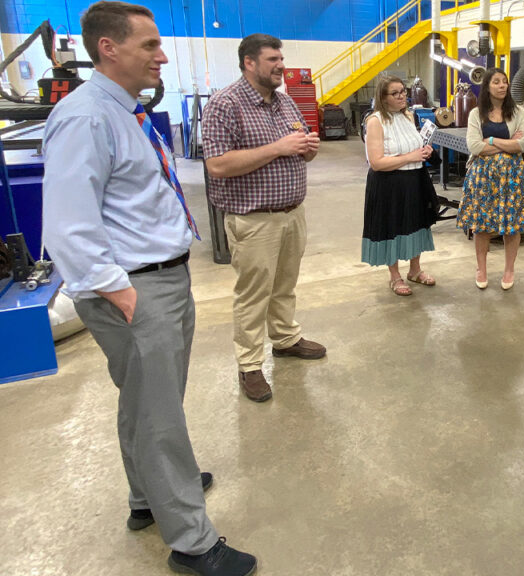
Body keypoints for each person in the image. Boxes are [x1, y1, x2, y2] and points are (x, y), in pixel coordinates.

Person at [41, 3, 256, 575]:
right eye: (150, 45)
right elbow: (67, 222)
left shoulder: (123, 112)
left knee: (145, 401)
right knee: (161, 415)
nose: (163, 56)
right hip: (135, 289)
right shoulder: (86, 118)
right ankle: (191, 541)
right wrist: (119, 291)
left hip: (159, 278)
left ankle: (146, 497)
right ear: (109, 48)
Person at [203, 33, 326, 403]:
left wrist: (307, 149)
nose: (281, 65)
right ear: (249, 63)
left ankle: (286, 339)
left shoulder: (285, 103)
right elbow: (218, 165)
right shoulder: (225, 105)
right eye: (272, 59)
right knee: (253, 294)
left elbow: (299, 146)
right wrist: (279, 148)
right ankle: (249, 365)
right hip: (254, 220)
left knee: (285, 285)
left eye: (281, 58)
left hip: (292, 213)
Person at [456, 67, 524, 290]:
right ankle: (481, 268)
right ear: (487, 86)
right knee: (481, 226)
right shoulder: (475, 114)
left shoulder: (518, 112)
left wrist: (490, 140)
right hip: (483, 177)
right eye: (496, 82)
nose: (502, 86)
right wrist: (505, 144)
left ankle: (509, 269)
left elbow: (522, 144)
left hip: (512, 176)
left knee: (513, 225)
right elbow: (473, 146)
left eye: (505, 82)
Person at [362, 76, 439, 295]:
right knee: (392, 228)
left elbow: (415, 146)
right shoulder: (375, 121)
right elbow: (376, 162)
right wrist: (410, 156)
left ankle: (415, 270)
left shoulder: (409, 116)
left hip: (414, 180)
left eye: (403, 92)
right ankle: (394, 276)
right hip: (389, 184)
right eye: (395, 93)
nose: (401, 96)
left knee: (416, 224)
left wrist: (425, 152)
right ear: (383, 98)